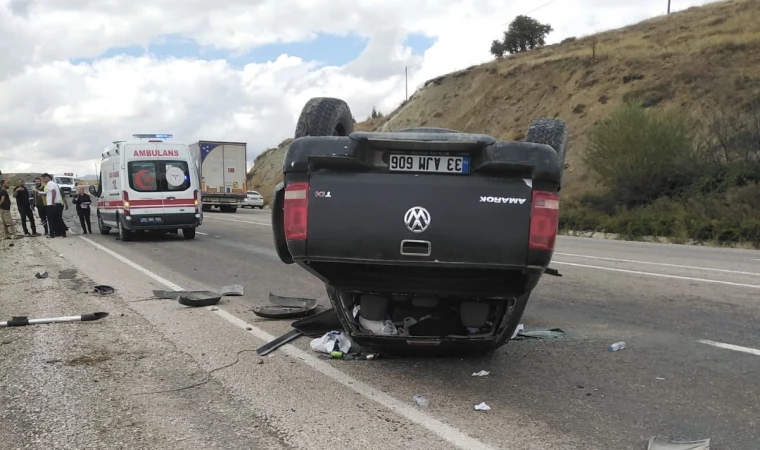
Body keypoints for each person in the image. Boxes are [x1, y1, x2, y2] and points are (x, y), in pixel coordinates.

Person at [41, 173, 66, 238]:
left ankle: (52, 234)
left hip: (51, 204)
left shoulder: (49, 183)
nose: (43, 180)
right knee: (58, 219)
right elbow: (50, 192)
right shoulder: (55, 184)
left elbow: (53, 191)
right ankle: (63, 233)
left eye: (44, 178)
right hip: (58, 204)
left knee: (50, 220)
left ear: (47, 178)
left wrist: (52, 201)